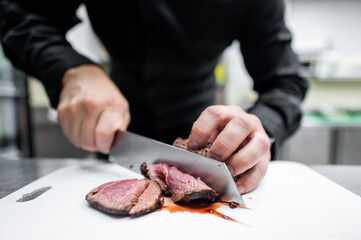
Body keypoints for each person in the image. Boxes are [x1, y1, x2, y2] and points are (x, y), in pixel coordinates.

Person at [0, 0, 308, 194]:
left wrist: (261, 127)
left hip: (203, 147)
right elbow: (14, 10)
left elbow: (285, 83)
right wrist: (70, 69)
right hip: (117, 139)